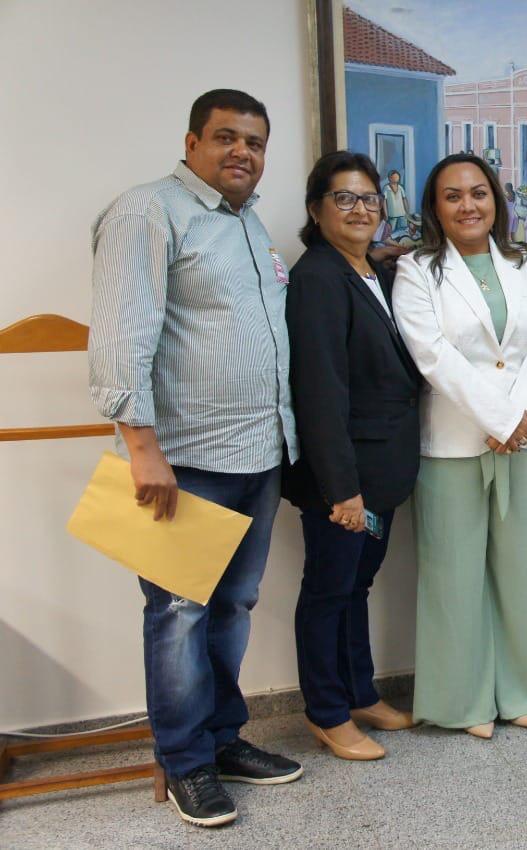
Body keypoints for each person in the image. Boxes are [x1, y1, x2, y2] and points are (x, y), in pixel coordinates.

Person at [88, 89, 302, 828]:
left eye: (255, 142)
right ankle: (185, 764)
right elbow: (122, 335)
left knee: (233, 607)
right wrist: (141, 449)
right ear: (191, 142)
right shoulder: (149, 212)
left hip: (258, 451)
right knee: (179, 614)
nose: (242, 152)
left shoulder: (246, 222)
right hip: (184, 459)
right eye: (226, 137)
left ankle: (221, 738)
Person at [392, 153, 527, 737]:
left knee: (520, 570)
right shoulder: (418, 269)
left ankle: (520, 690)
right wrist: (498, 416)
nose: (468, 205)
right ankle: (464, 701)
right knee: (454, 576)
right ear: (435, 208)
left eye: (479, 193)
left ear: (496, 200)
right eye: (453, 196)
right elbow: (431, 354)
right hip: (451, 443)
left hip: (521, 440)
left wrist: (517, 418)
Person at [284, 151, 423, 761]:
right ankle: (326, 711)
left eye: (369, 198)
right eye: (344, 198)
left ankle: (359, 692)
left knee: (356, 585)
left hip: (379, 472)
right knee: (329, 590)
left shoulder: (371, 271)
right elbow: (319, 391)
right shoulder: (317, 278)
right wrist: (341, 489)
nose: (361, 209)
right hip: (343, 480)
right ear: (316, 210)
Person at [384, 169, 411, 235]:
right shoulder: (386, 188)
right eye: (394, 177)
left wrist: (407, 212)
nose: (396, 178)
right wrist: (386, 214)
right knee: (391, 232)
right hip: (392, 215)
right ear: (390, 178)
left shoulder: (400, 187)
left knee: (404, 231)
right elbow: (384, 202)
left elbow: (404, 199)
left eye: (397, 177)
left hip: (402, 214)